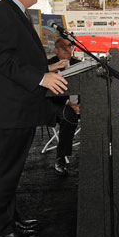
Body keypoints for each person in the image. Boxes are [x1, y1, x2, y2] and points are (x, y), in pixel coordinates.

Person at [0, 0, 68, 237]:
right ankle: (1, 228)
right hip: (8, 110)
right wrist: (42, 77)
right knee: (5, 172)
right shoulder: (0, 15)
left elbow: (20, 58)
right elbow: (2, 59)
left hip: (19, 109)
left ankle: (11, 218)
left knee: (12, 172)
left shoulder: (16, 13)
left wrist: (50, 66)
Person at [47, 38, 82, 176]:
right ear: (56, 50)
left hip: (79, 105)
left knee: (98, 111)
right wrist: (69, 105)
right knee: (69, 115)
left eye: (70, 46)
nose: (68, 49)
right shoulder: (48, 65)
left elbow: (90, 87)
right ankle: (60, 157)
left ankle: (98, 150)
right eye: (64, 47)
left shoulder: (80, 64)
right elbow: (48, 93)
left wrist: (82, 104)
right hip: (57, 106)